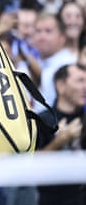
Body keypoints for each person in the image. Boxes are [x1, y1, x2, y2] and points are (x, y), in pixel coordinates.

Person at [37, 64, 86, 205]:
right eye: (80, 80)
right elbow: (30, 162)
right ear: (61, 86)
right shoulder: (43, 120)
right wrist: (59, 142)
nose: (85, 86)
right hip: (51, 198)